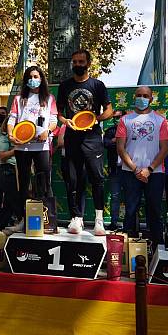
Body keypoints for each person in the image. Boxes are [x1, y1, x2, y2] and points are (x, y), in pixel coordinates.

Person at [56, 49, 113, 235]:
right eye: (75, 62)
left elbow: (109, 111)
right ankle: (76, 219)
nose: (78, 65)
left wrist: (96, 119)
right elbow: (59, 112)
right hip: (72, 138)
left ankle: (98, 220)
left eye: (81, 61)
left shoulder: (98, 85)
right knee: (74, 180)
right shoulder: (64, 86)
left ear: (88, 63)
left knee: (96, 179)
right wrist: (65, 121)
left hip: (93, 138)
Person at [116, 86, 168, 246]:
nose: (142, 98)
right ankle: (128, 248)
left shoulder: (161, 120)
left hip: (155, 173)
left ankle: (157, 246)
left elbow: (165, 148)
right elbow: (120, 148)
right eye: (139, 95)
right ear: (134, 97)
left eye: (145, 96)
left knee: (154, 211)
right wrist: (135, 169)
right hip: (130, 172)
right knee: (130, 211)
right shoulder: (125, 120)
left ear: (151, 99)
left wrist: (149, 169)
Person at [7, 66, 57, 232]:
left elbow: (54, 120)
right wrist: (10, 134)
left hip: (41, 146)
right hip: (22, 147)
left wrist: (48, 131)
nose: (33, 79)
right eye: (30, 76)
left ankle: (48, 221)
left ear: (41, 79)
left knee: (44, 182)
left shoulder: (49, 98)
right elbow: (12, 119)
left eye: (36, 76)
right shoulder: (19, 99)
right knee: (23, 184)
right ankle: (23, 220)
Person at [0, 115, 20, 230]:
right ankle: (21, 221)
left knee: (9, 205)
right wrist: (17, 149)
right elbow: (2, 156)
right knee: (14, 201)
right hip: (7, 171)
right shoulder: (3, 137)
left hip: (15, 171)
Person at [103, 110, 123, 230]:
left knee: (131, 196)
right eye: (115, 117)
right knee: (115, 197)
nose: (117, 119)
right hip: (115, 168)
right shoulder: (110, 131)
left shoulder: (131, 129)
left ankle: (130, 224)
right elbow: (106, 143)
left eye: (119, 117)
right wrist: (116, 140)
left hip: (130, 169)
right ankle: (114, 222)